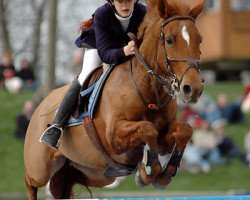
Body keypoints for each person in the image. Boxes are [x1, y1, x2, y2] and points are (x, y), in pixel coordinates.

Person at [40, 0, 146, 149]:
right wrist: (124, 51)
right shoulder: (102, 14)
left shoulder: (143, 12)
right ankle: (56, 126)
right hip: (100, 47)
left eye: (128, 0)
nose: (125, 5)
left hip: (129, 47)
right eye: (120, 1)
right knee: (86, 75)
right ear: (112, 1)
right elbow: (104, 55)